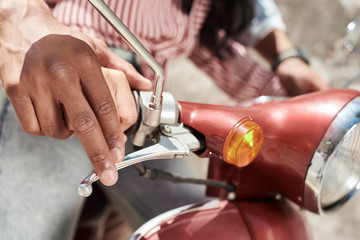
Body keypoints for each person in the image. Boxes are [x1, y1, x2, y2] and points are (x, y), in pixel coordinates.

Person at [0, 0, 330, 239]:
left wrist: (307, 98)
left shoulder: (197, 11)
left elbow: (239, 69)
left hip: (145, 113)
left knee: (212, 229)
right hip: (65, 82)